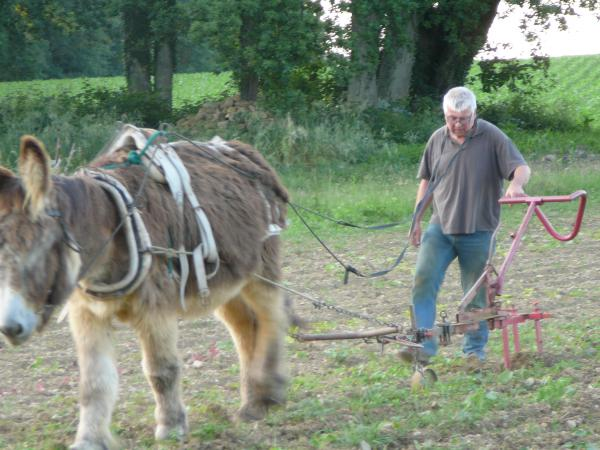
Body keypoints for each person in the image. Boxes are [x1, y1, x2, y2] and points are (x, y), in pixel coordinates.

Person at [400, 86, 531, 365]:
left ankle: (474, 352)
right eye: (452, 118)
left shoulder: (491, 136)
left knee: (475, 293)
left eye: (464, 118)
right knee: (423, 280)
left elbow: (521, 167)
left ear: (474, 113)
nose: (458, 124)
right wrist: (416, 219)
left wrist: (516, 185)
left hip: (479, 229)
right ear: (445, 115)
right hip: (440, 228)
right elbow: (426, 182)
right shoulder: (437, 139)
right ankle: (423, 345)